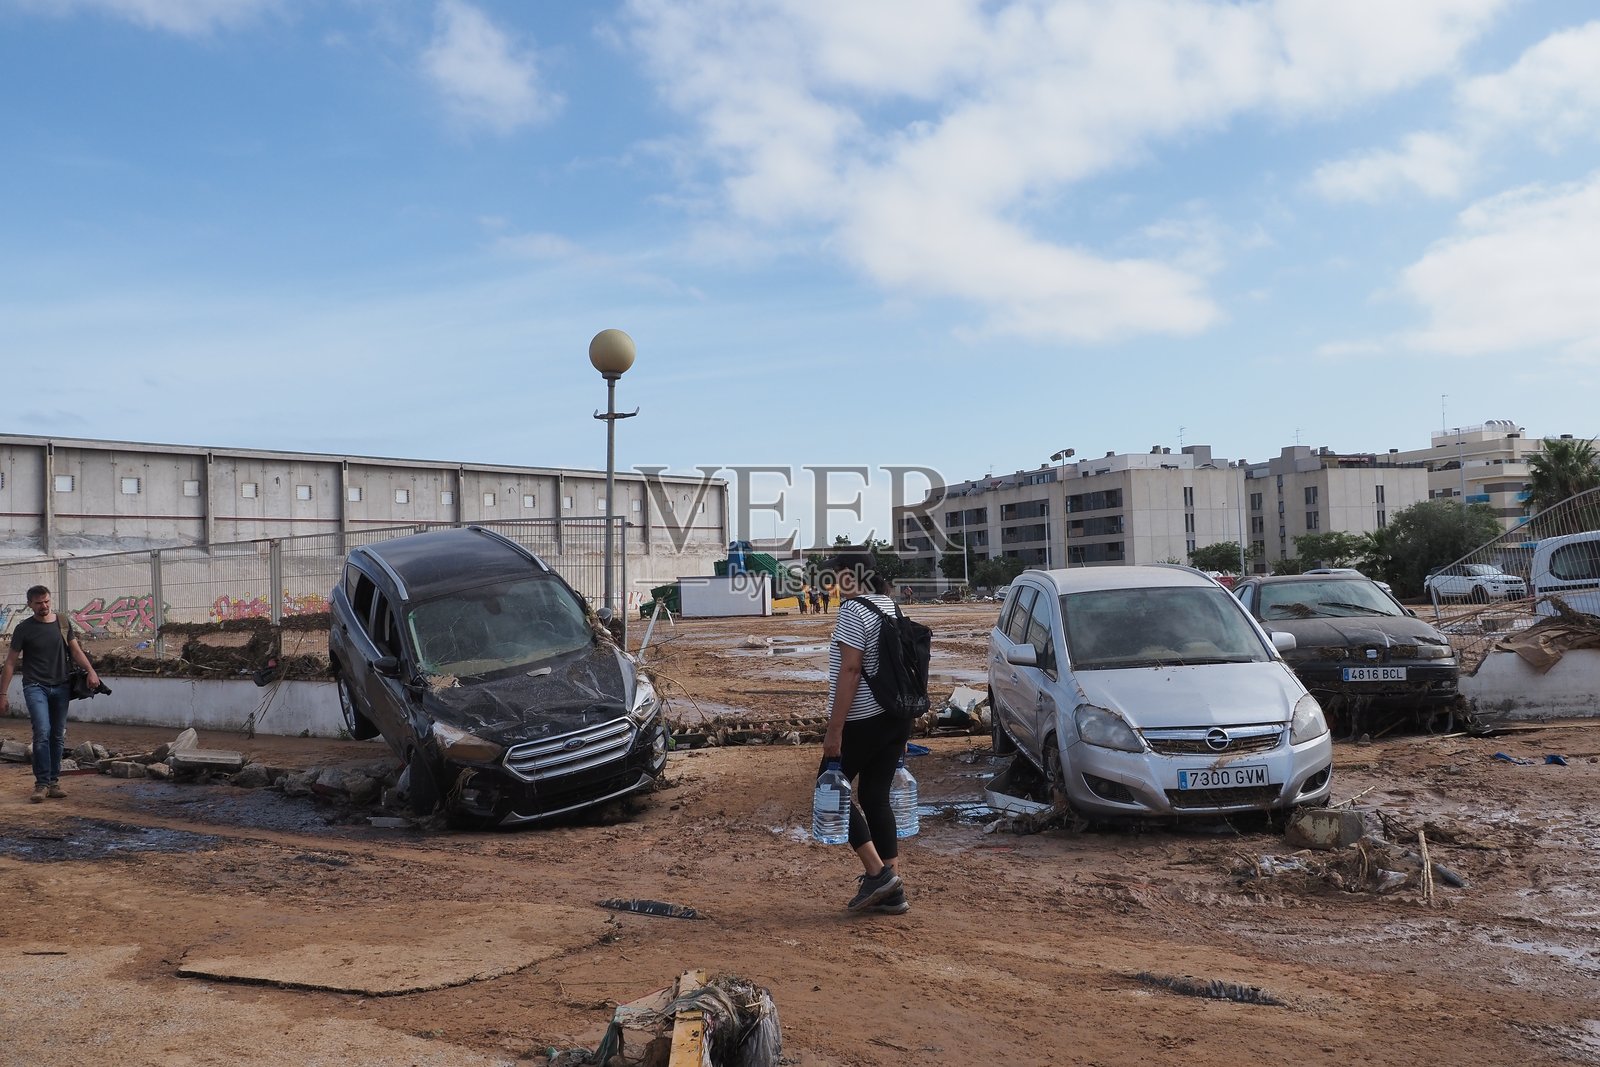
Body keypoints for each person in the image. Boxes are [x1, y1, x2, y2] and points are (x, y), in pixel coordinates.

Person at [818, 553, 911, 914]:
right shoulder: (889, 605)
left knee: (828, 790)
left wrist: (834, 729)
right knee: (875, 797)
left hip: (862, 721)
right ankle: (894, 890)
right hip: (894, 717)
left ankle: (878, 874)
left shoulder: (853, 611)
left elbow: (852, 671)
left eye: (835, 577)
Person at [1, 585, 101, 803]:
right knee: (42, 731)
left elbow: (75, 651)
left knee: (57, 734)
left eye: (46, 601)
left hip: (61, 686)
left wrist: (92, 672)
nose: (44, 606)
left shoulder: (62, 623)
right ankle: (41, 784)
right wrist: (3, 694)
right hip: (35, 686)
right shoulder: (23, 628)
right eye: (38, 603)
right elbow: (10, 662)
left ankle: (54, 782)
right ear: (30, 605)